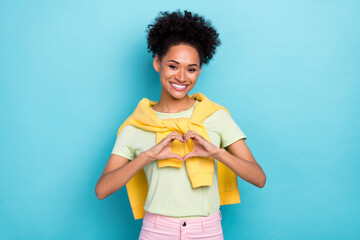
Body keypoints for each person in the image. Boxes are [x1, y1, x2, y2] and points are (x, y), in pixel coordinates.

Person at [95, 9, 266, 240]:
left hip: (208, 231)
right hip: (156, 231)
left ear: (199, 71)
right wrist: (147, 156)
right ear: (158, 63)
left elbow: (259, 178)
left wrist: (216, 153)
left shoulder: (215, 117)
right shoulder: (136, 125)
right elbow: (102, 189)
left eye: (191, 69)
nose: (182, 77)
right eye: (173, 66)